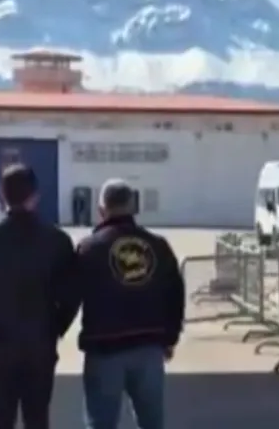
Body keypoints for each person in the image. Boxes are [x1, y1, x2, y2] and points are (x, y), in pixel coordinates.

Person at [0, 164, 80, 429]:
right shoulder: (57, 240)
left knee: (1, 418)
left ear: (1, 194)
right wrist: (56, 328)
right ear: (35, 195)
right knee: (37, 417)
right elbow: (73, 295)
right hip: (40, 341)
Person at [75, 180, 185, 429]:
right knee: (151, 423)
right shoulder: (158, 246)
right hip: (148, 348)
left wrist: (54, 330)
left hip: (104, 350)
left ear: (101, 210)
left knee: (100, 423)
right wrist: (170, 337)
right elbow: (175, 293)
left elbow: (70, 295)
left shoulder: (89, 248)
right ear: (133, 207)